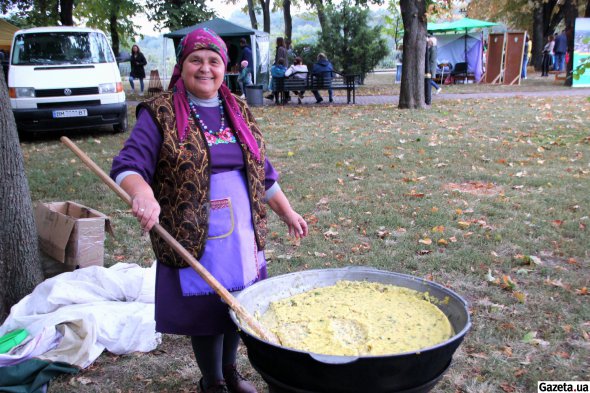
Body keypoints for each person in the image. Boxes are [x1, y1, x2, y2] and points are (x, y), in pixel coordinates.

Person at [110, 27, 308, 393]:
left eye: (213, 61)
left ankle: (231, 373)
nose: (205, 68)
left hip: (243, 232)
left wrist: (288, 212)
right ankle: (212, 381)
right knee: (206, 312)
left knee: (237, 304)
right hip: (194, 232)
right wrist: (143, 194)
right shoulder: (160, 113)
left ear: (225, 67)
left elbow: (262, 172)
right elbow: (129, 165)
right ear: (182, 66)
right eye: (195, 60)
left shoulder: (238, 110)